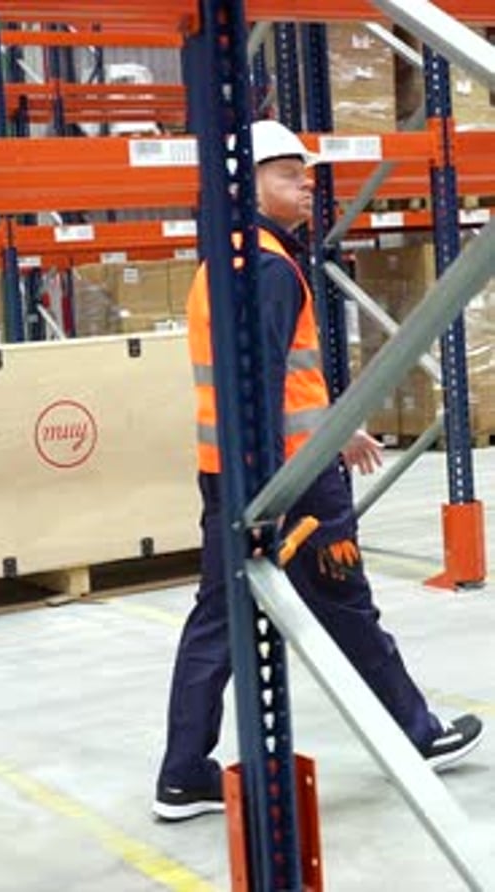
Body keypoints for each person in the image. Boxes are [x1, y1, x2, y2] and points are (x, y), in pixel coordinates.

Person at [152, 119, 483, 823]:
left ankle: (182, 773)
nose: (305, 185)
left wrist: (338, 427)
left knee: (219, 619)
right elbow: (258, 383)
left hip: (233, 473)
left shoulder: (227, 258)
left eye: (305, 173)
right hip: (286, 484)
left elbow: (275, 382)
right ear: (248, 184)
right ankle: (416, 734)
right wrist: (272, 492)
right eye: (287, 174)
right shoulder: (270, 267)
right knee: (345, 606)